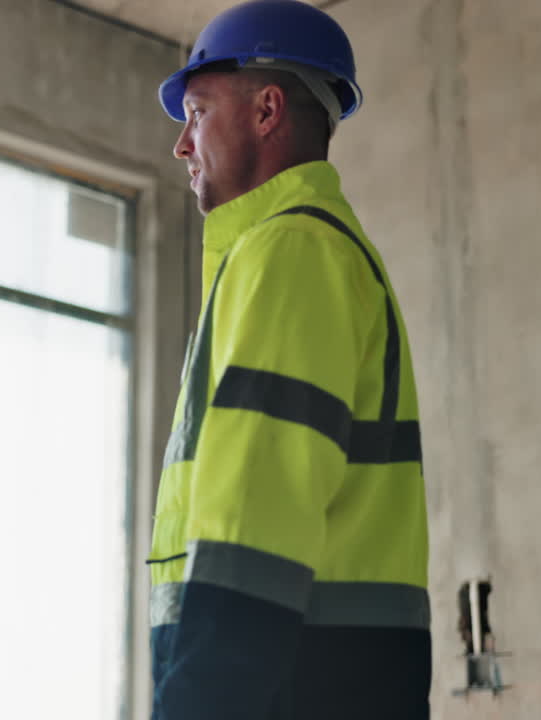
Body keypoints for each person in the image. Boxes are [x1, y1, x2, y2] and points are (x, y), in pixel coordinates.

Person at [147, 1, 430, 718]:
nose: (182, 144)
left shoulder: (293, 252)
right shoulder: (295, 252)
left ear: (267, 110)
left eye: (198, 111)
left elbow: (253, 526)